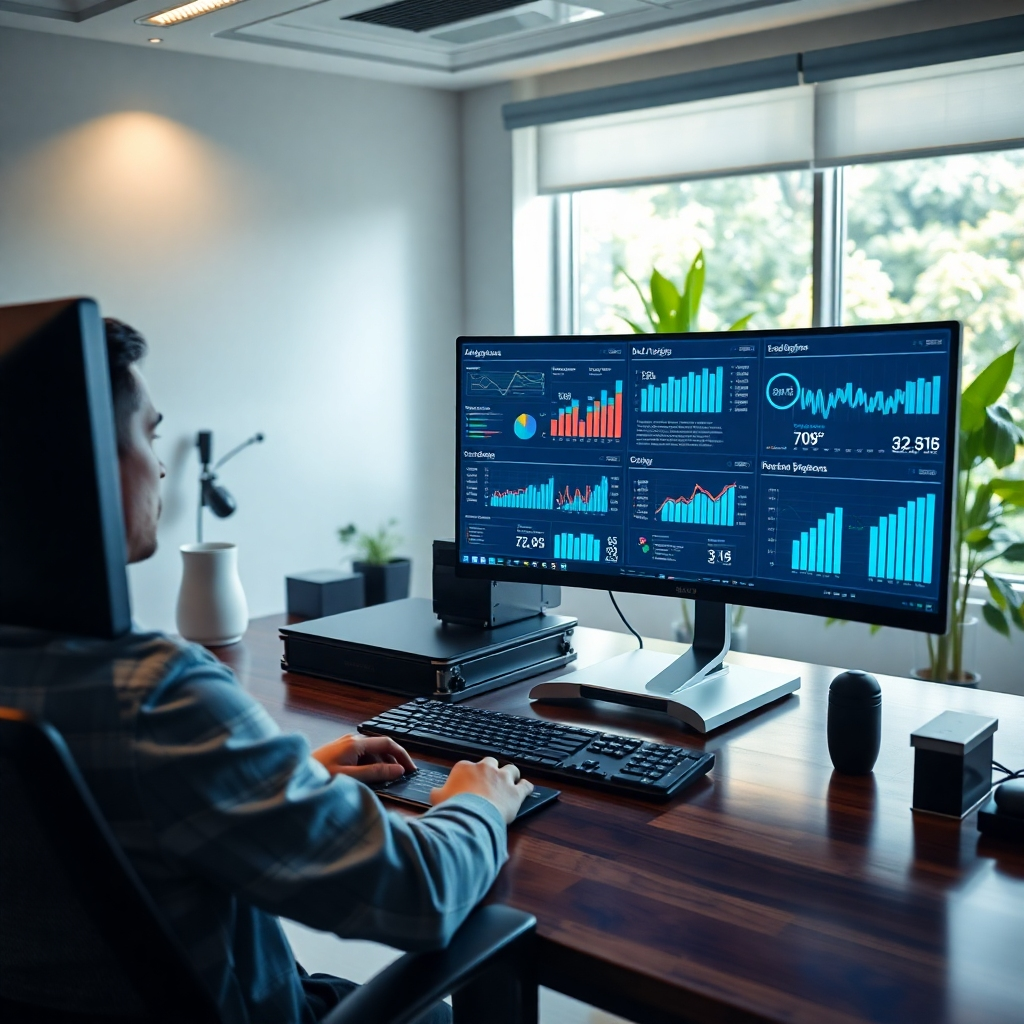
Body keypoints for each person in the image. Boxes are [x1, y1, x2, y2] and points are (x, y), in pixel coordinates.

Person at [0, 319, 532, 1024]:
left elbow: (97, 826)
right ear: (86, 466)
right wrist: (479, 802)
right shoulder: (156, 698)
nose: (160, 466)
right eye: (149, 437)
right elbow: (417, 896)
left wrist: (261, 780)